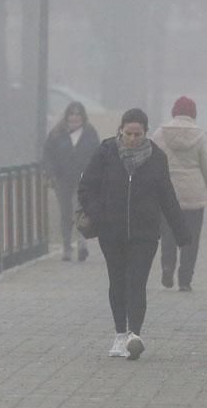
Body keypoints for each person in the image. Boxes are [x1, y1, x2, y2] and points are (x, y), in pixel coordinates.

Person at [78, 108, 192, 360]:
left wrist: (181, 232)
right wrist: (99, 214)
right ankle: (119, 334)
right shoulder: (105, 153)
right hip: (112, 232)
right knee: (117, 282)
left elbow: (167, 196)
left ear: (145, 132)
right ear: (120, 130)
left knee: (137, 283)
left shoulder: (157, 158)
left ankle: (134, 335)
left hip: (145, 233)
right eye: (128, 133)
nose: (132, 138)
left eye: (137, 134)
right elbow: (86, 188)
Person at [150, 96, 207, 292]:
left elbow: (152, 162)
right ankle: (185, 279)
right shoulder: (199, 135)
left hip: (167, 193)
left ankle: (167, 265)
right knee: (191, 238)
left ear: (174, 111)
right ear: (193, 113)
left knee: (168, 234)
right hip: (194, 195)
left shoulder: (160, 133)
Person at [44, 101, 101, 262]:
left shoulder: (90, 133)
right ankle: (66, 246)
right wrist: (50, 172)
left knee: (79, 210)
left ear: (83, 116)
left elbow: (98, 154)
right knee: (65, 212)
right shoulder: (57, 133)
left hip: (83, 179)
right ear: (67, 116)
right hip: (62, 179)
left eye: (78, 114)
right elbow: (47, 154)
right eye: (72, 114)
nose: (75, 117)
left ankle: (82, 243)